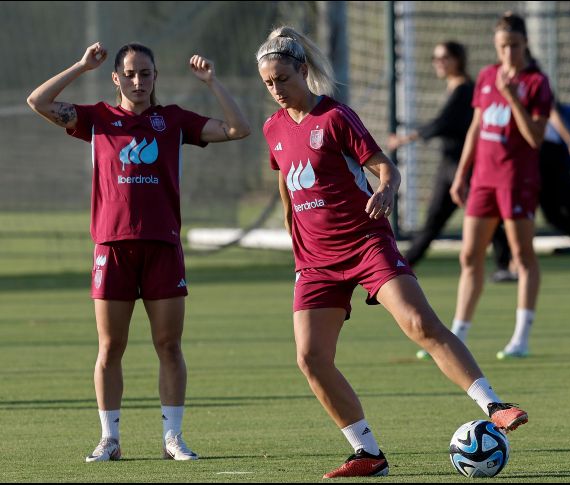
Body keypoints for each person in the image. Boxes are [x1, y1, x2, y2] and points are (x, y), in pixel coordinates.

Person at [257, 26, 528, 479]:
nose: (276, 90)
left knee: (419, 323)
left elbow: (384, 165)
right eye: (268, 83)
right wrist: (298, 251)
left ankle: (494, 405)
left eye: (283, 79)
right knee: (311, 359)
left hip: (365, 242)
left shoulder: (336, 117)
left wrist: (385, 190)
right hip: (315, 262)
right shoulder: (273, 129)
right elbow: (287, 190)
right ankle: (367, 453)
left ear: (303, 71)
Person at [26, 42, 251, 462]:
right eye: (129, 73)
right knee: (110, 348)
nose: (138, 81)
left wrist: (212, 81)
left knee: (169, 345)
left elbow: (239, 129)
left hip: (163, 247)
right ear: (115, 78)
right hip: (112, 248)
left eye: (145, 73)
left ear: (155, 77)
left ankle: (173, 439)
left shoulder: (174, 121)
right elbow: (38, 101)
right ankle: (109, 439)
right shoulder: (96, 119)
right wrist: (80, 65)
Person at [449, 12, 553, 360]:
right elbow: (476, 127)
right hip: (483, 180)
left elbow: (535, 137)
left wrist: (513, 98)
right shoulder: (487, 76)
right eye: (502, 46)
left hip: (516, 181)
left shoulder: (537, 82)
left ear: (525, 44)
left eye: (514, 45)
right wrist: (462, 173)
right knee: (469, 255)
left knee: (521, 256)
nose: (508, 52)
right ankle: (459, 331)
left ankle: (521, 336)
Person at [387, 41, 510, 270]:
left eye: (444, 58)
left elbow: (443, 123)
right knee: (436, 218)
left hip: (464, 165)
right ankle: (402, 265)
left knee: (484, 216)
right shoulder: (455, 87)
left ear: (458, 60)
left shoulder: (464, 89)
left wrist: (405, 139)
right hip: (449, 165)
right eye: (436, 58)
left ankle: (507, 264)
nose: (439, 63)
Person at [490, 102, 570, 282]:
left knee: (522, 212)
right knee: (545, 214)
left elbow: (552, 113)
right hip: (533, 154)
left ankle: (514, 265)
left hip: (542, 154)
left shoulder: (531, 83)